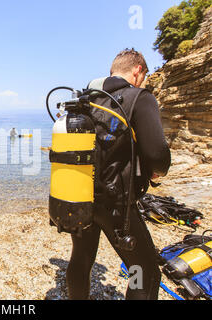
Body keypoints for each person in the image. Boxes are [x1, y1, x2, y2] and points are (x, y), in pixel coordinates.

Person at [65, 49, 171, 300]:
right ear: (138, 71)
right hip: (116, 205)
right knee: (145, 270)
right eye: (143, 77)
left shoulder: (86, 101)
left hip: (79, 197)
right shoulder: (139, 97)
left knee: (81, 258)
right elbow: (157, 154)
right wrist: (157, 171)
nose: (143, 82)